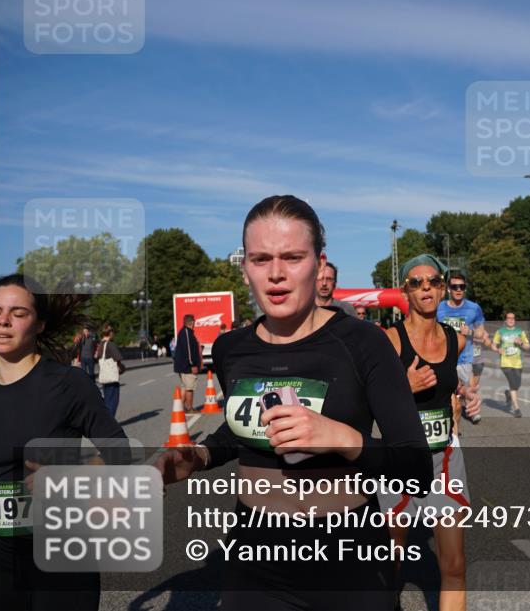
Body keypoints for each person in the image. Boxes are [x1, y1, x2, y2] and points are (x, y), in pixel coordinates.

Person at [153, 195, 431, 611]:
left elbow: (417, 471)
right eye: (261, 259)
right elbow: (241, 430)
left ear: (319, 265)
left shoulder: (363, 343)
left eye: (293, 257)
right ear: (244, 267)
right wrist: (198, 456)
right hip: (256, 562)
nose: (277, 274)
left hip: (349, 560)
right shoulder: (232, 348)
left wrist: (342, 437)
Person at [0, 274, 129, 611]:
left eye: (18, 313)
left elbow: (119, 451)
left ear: (39, 325)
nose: (3, 321)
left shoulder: (67, 383)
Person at [380, 255, 481, 611]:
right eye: (416, 282)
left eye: (433, 281)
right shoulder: (390, 341)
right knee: (390, 563)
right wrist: (402, 388)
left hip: (445, 457)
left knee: (454, 565)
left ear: (442, 288)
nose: (426, 287)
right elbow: (365, 403)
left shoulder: (454, 341)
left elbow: (452, 385)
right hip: (398, 459)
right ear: (405, 291)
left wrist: (466, 396)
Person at [436, 271, 486, 429]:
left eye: (462, 286)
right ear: (448, 289)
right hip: (444, 359)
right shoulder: (439, 308)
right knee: (453, 403)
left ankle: (469, 411)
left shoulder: (474, 308)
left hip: (465, 359)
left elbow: (481, 334)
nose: (458, 289)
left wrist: (470, 332)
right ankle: (452, 432)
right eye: (454, 286)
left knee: (467, 392)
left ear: (465, 289)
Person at [492, 313, 530, 417]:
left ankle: (508, 393)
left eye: (513, 318)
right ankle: (516, 409)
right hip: (505, 362)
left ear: (515, 320)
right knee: (513, 383)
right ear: (505, 320)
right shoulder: (500, 332)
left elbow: (528, 346)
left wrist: (521, 343)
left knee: (517, 384)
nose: (511, 320)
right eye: (509, 318)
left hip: (518, 362)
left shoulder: (520, 331)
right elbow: (493, 345)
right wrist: (497, 349)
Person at [172, 314, 202, 413]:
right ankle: (189, 408)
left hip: (183, 365)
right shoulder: (186, 333)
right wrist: (192, 364)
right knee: (190, 387)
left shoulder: (185, 332)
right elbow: (188, 350)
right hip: (187, 366)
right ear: (192, 322)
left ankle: (180, 408)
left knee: (185, 387)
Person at [95, 324, 126, 417]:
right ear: (110, 333)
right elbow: (118, 357)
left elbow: (96, 357)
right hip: (112, 377)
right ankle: (110, 421)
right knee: (113, 401)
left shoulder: (100, 345)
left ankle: (105, 419)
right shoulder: (110, 344)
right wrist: (121, 367)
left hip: (104, 376)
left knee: (107, 399)